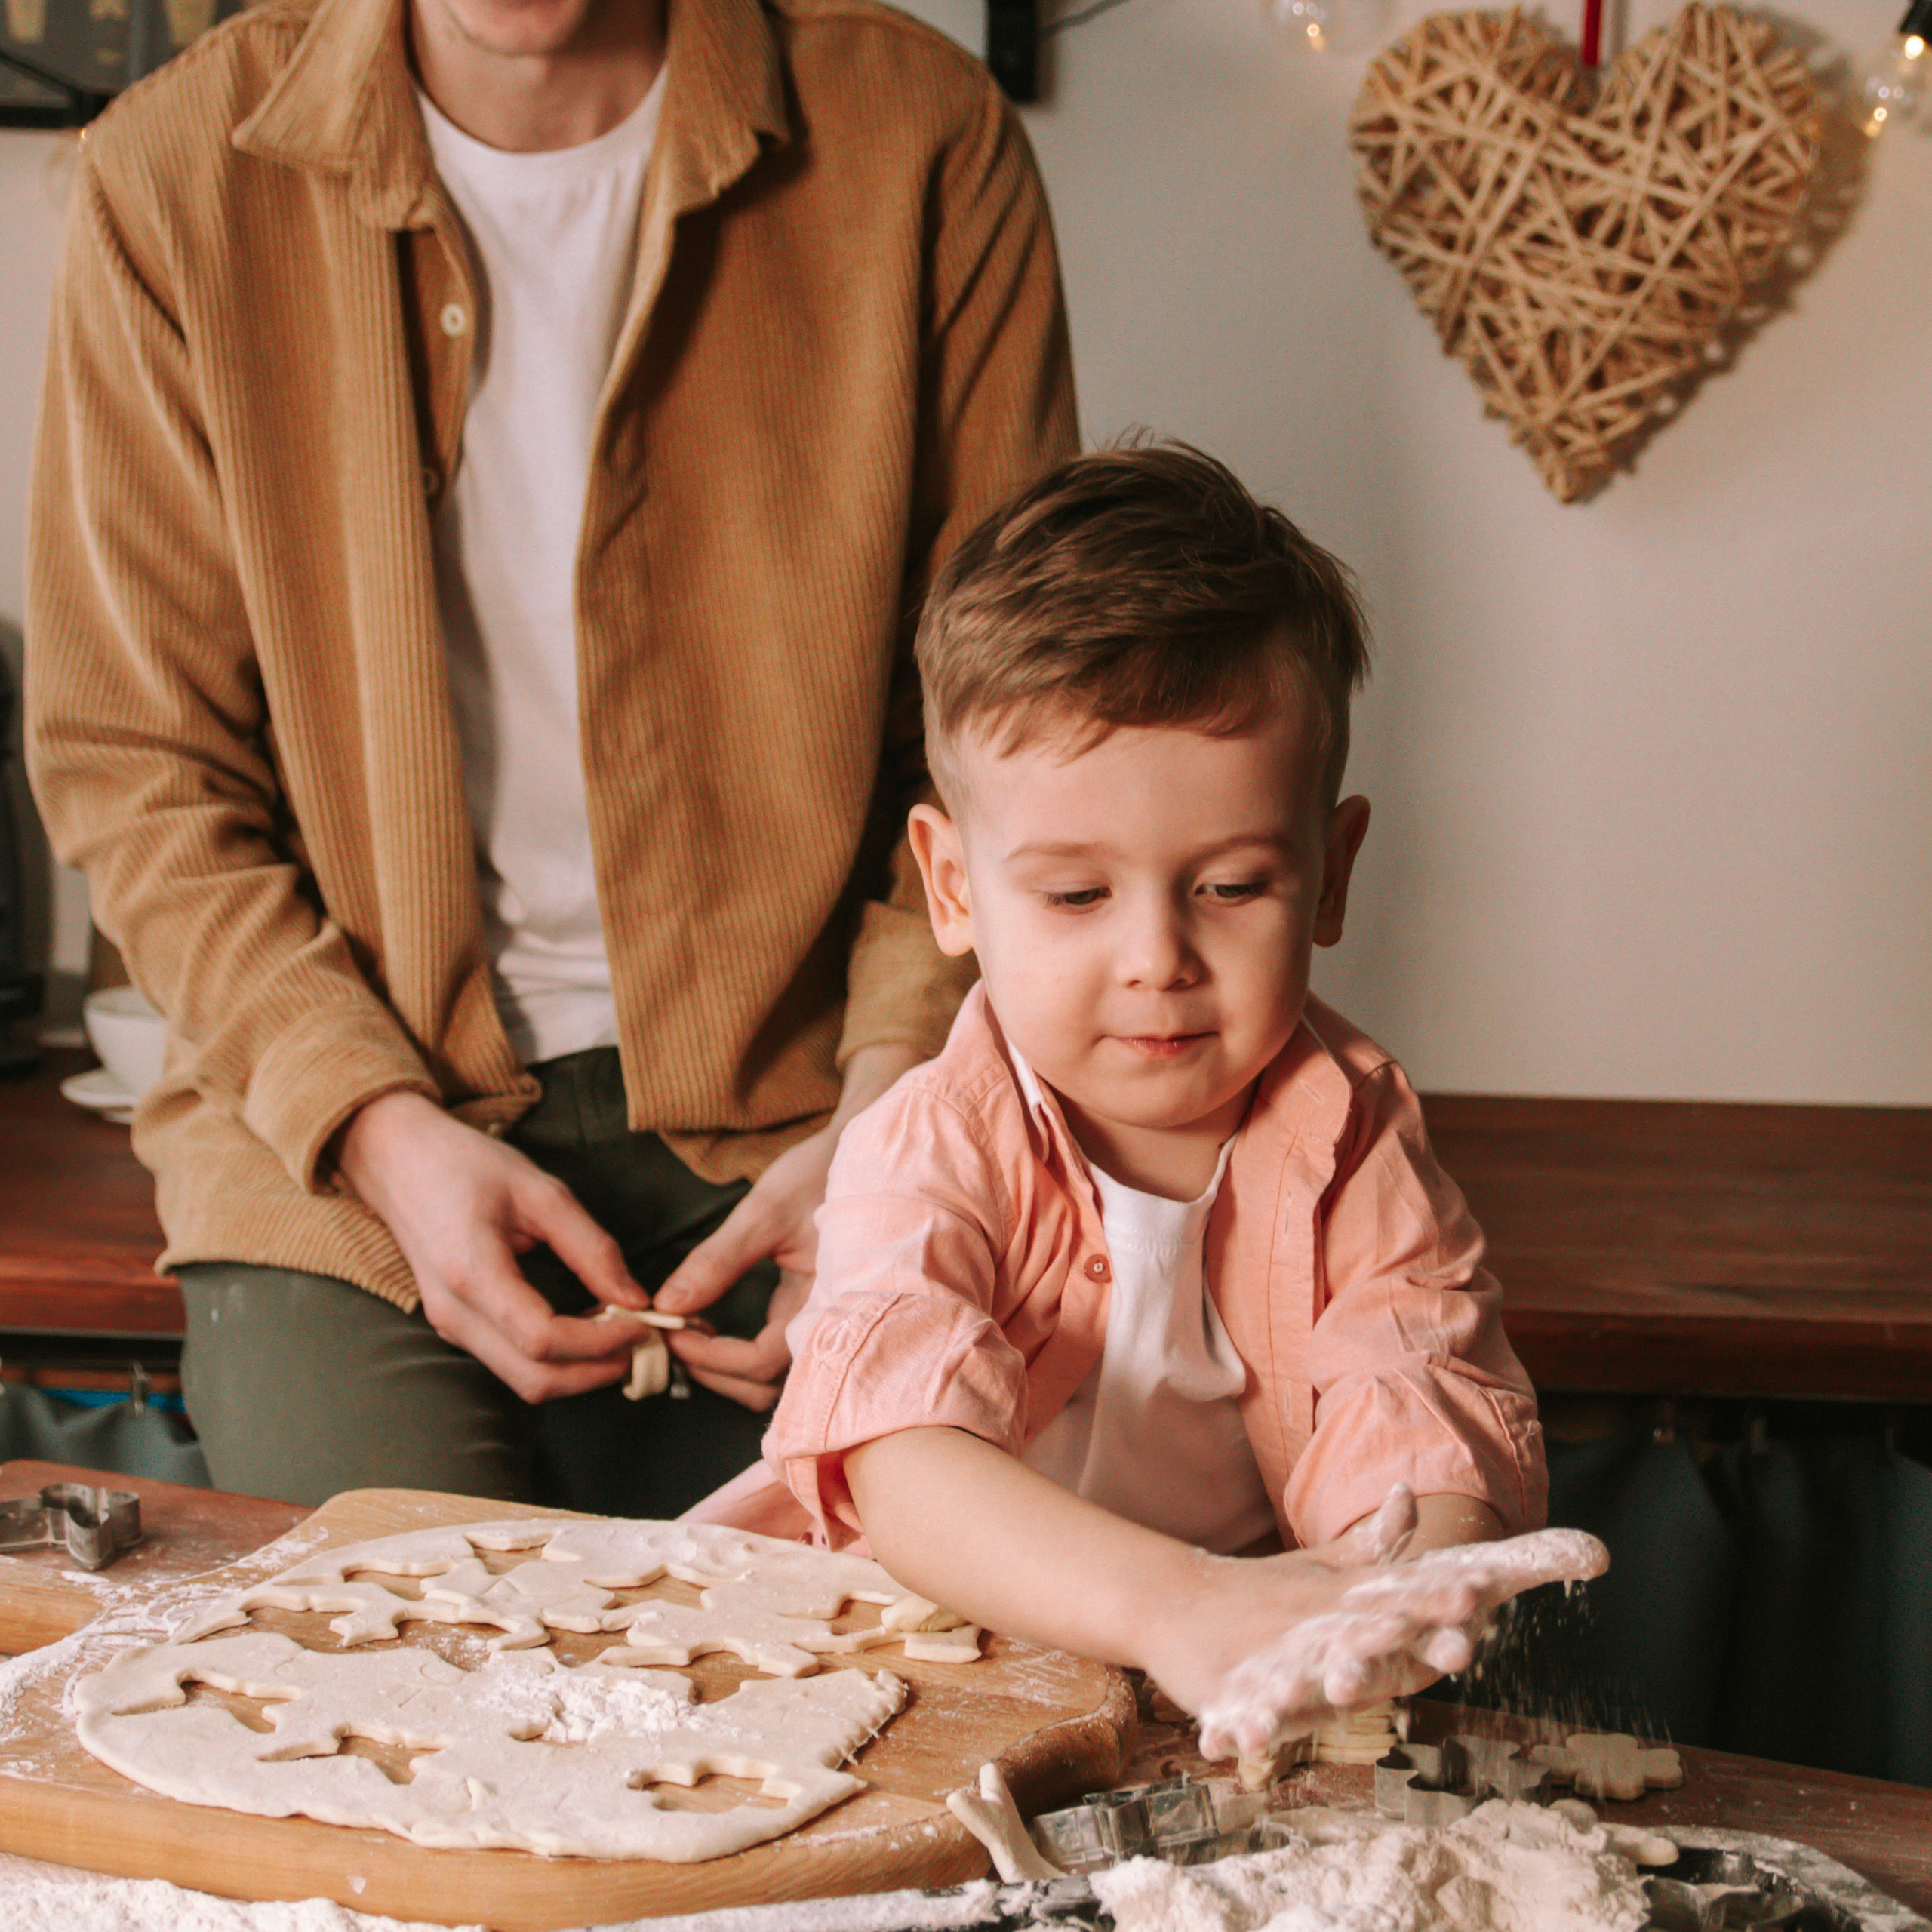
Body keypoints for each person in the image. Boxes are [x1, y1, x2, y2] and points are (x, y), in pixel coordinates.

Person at [25, 0, 1075, 1511]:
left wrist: (886, 1115)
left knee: (853, 1649)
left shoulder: (919, 133)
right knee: (404, 1665)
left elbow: (1010, 725)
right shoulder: (171, 171)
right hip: (342, 1129)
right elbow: (136, 759)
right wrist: (378, 1132)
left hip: (824, 1093)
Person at [694, 441, 1576, 1729]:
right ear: (952, 888)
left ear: (1330, 874)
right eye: (1075, 895)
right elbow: (903, 1459)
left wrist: (1393, 1593)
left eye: (1228, 887)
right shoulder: (925, 1146)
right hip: (914, 1685)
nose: (1157, 960)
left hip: (1230, 1682)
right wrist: (1179, 1606)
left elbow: (1422, 1406)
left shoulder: (1360, 1140)